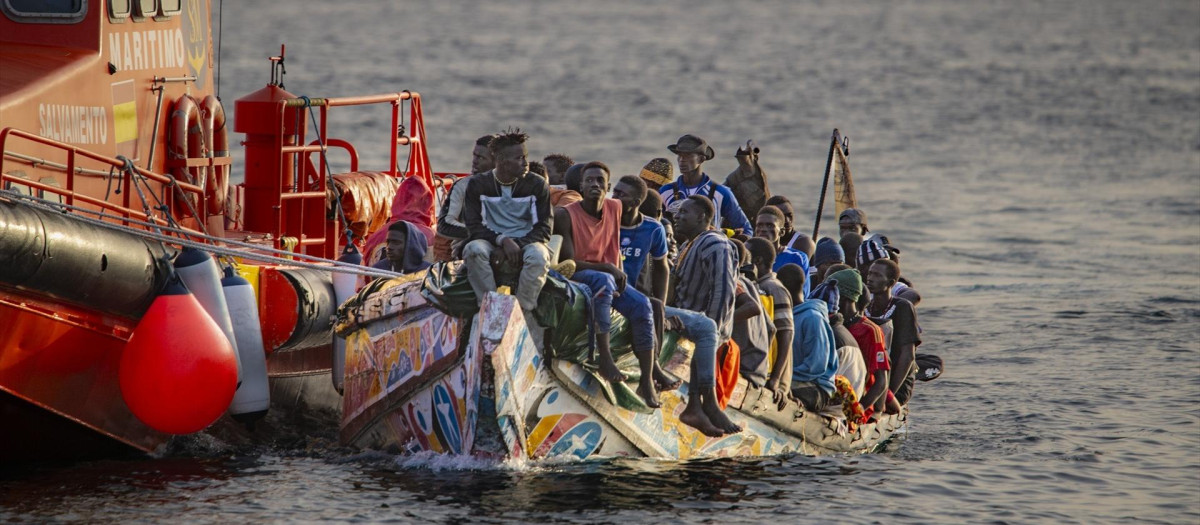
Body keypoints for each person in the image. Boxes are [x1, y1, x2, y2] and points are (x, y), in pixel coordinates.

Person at [554, 163, 661, 408]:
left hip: (611, 277)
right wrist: (608, 268)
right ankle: (604, 358)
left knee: (643, 305)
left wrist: (620, 270)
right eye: (589, 181)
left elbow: (624, 233)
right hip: (582, 276)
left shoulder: (615, 207)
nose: (595, 185)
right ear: (580, 186)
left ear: (608, 187)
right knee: (604, 281)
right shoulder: (566, 215)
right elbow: (569, 263)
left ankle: (647, 380)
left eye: (600, 181)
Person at [668, 196, 743, 436]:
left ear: (702, 217)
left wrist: (714, 330)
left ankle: (704, 404)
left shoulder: (714, 243)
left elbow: (723, 290)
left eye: (684, 213)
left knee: (705, 330)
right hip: (686, 319)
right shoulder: (687, 244)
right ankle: (695, 406)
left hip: (705, 326)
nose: (677, 217)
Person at [461, 129, 552, 314]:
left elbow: (544, 228)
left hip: (526, 241)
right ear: (501, 161)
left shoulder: (537, 184)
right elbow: (474, 227)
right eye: (519, 158)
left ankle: (523, 311)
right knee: (473, 250)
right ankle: (488, 306)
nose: (526, 163)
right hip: (490, 240)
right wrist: (502, 241)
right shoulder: (478, 184)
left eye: (525, 156)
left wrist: (516, 244)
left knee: (539, 257)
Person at [611, 174, 681, 393]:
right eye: (614, 192)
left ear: (635, 202)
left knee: (656, 307)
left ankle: (652, 370)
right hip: (609, 287)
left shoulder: (652, 229)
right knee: (644, 305)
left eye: (621, 195)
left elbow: (662, 267)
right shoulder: (605, 219)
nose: (614, 197)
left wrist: (660, 299)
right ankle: (653, 372)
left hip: (632, 291)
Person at [658, 134, 753, 236]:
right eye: (679, 155)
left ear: (701, 159)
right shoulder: (665, 192)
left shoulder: (720, 193)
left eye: (688, 155)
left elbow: (747, 231)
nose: (682, 160)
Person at [826, 268, 889, 418]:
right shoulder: (832, 323)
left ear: (844, 298)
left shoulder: (870, 330)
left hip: (857, 400)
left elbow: (881, 380)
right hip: (833, 394)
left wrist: (859, 408)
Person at [777, 263, 838, 413]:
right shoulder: (787, 314)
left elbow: (815, 367)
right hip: (795, 379)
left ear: (783, 289)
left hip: (815, 387)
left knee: (776, 390)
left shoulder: (812, 318)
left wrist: (783, 378)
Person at [864, 258, 921, 406]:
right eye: (870, 274)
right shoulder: (865, 305)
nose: (870, 279)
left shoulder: (902, 307)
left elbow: (907, 356)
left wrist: (888, 395)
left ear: (890, 283)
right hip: (874, 377)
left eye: (877, 275)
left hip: (896, 382)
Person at [745, 237, 794, 405]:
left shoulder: (773, 288)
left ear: (757, 260)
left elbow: (786, 334)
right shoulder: (754, 284)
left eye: (746, 254)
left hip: (771, 375)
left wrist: (776, 379)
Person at [435, 134, 495, 260]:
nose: (474, 161)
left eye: (481, 157)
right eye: (474, 155)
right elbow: (444, 225)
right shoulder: (462, 186)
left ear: (496, 162)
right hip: (466, 253)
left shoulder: (514, 187)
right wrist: (480, 233)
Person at [754, 205, 810, 296]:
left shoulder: (797, 257)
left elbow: (803, 294)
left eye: (769, 225)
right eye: (759, 225)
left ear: (782, 232)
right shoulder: (749, 254)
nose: (763, 229)